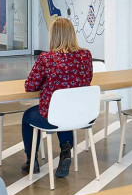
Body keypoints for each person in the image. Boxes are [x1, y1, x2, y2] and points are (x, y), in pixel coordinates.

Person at [21, 17, 93, 178]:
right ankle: (65, 151)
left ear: (54, 35)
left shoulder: (46, 59)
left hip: (53, 115)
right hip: (80, 113)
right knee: (65, 112)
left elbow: (30, 86)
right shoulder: (86, 55)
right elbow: (88, 79)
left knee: (28, 116)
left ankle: (31, 160)